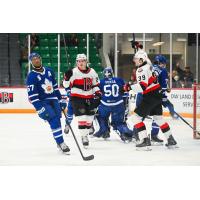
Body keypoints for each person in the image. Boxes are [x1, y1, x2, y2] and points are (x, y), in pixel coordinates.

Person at [126, 50, 177, 150]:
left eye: (136, 59)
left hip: (150, 96)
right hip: (157, 95)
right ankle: (171, 140)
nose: (134, 61)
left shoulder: (141, 70)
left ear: (141, 59)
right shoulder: (150, 66)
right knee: (159, 119)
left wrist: (128, 87)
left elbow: (142, 87)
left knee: (135, 118)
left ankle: (144, 141)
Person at [26, 53, 70, 153]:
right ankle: (61, 143)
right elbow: (32, 96)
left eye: (37, 58)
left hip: (54, 100)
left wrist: (61, 100)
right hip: (43, 102)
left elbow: (55, 88)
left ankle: (59, 143)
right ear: (31, 62)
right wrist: (39, 108)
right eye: (33, 59)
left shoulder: (49, 71)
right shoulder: (31, 76)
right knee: (53, 120)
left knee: (58, 121)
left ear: (40, 59)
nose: (36, 60)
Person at [63, 54, 101, 148]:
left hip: (89, 97)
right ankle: (84, 136)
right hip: (77, 98)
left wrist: (98, 94)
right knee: (82, 117)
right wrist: (66, 78)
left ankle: (85, 133)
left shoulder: (92, 71)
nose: (81, 63)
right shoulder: (73, 72)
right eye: (79, 61)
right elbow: (66, 85)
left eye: (83, 61)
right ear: (76, 62)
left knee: (89, 119)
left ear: (86, 61)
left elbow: (95, 85)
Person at [93, 66, 134, 142]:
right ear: (112, 73)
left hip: (105, 105)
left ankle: (104, 130)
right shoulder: (119, 80)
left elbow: (97, 94)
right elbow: (125, 92)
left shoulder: (101, 82)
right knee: (119, 122)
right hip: (118, 104)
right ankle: (127, 133)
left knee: (100, 116)